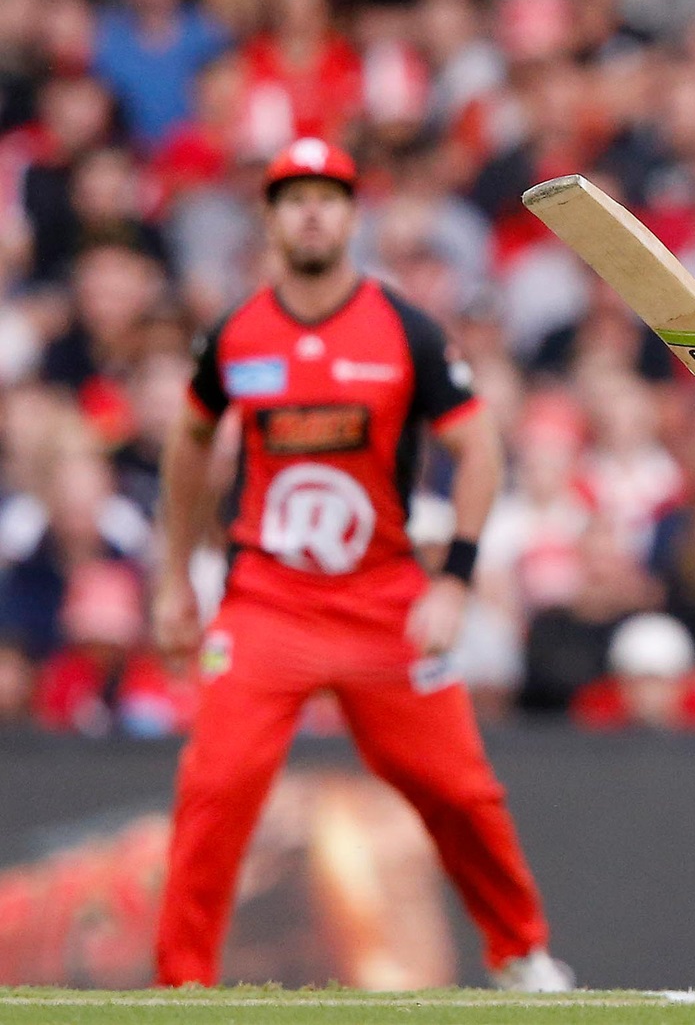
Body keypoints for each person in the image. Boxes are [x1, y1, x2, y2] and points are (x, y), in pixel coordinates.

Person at [150, 136, 571, 991]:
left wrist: (453, 579)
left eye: (329, 195)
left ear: (352, 214)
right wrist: (172, 578)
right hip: (267, 601)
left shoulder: (404, 328)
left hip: (384, 600)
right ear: (269, 217)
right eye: (294, 196)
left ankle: (520, 952)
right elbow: (189, 443)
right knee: (216, 786)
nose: (311, 210)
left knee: (460, 793)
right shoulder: (236, 332)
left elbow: (480, 449)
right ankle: (181, 984)